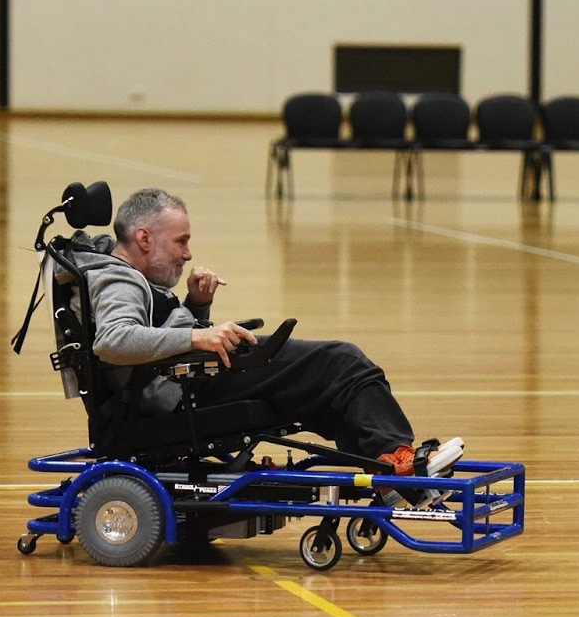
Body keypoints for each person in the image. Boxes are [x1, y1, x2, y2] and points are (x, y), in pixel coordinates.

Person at [75, 187, 461, 505]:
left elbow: (154, 338)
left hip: (186, 380)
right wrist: (198, 335)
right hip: (182, 393)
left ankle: (387, 465)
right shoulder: (118, 280)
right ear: (144, 238)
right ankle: (397, 463)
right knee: (341, 362)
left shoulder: (127, 275)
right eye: (181, 241)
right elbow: (113, 340)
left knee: (325, 386)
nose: (188, 253)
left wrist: (197, 307)